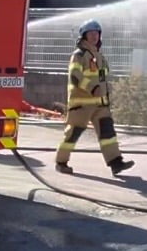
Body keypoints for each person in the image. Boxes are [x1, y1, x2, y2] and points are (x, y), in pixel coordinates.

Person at [55, 19, 134, 176]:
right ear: (84, 36)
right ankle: (61, 162)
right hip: (81, 105)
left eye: (96, 33)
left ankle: (115, 162)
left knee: (108, 134)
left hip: (100, 105)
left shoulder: (99, 56)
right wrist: (93, 88)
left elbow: (103, 78)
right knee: (72, 134)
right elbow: (75, 76)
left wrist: (106, 95)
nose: (94, 36)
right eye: (91, 33)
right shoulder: (79, 55)